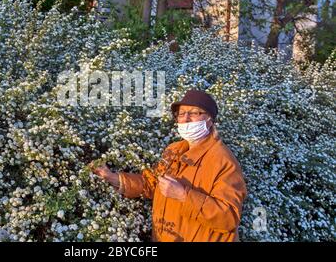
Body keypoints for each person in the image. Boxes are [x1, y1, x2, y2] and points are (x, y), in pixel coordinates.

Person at [91, 89, 247, 242]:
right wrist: (113, 178)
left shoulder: (223, 161)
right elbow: (151, 184)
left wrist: (184, 196)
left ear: (210, 120)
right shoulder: (174, 150)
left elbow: (228, 218)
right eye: (181, 113)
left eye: (194, 113)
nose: (185, 119)